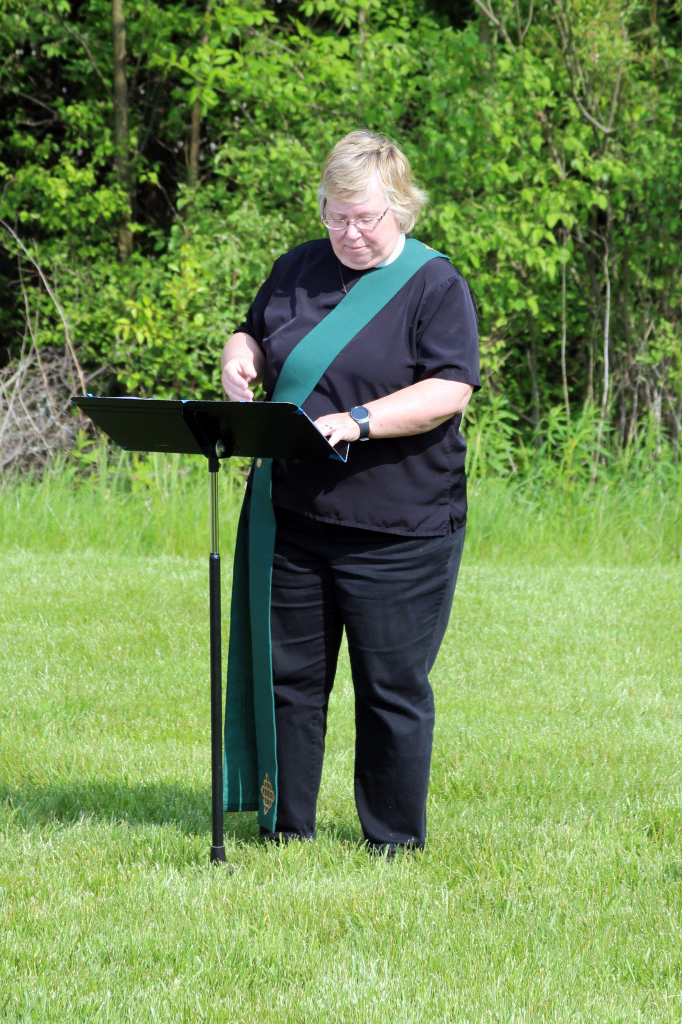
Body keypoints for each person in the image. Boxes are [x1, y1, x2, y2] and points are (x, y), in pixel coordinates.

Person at [221, 129, 480, 855]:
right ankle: (284, 827)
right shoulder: (297, 267)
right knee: (289, 681)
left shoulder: (434, 284)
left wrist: (357, 422)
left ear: (400, 207)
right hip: (294, 519)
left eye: (364, 217)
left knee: (390, 690)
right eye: (336, 215)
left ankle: (392, 841)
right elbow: (252, 333)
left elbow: (449, 389)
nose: (349, 232)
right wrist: (235, 360)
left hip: (400, 528)